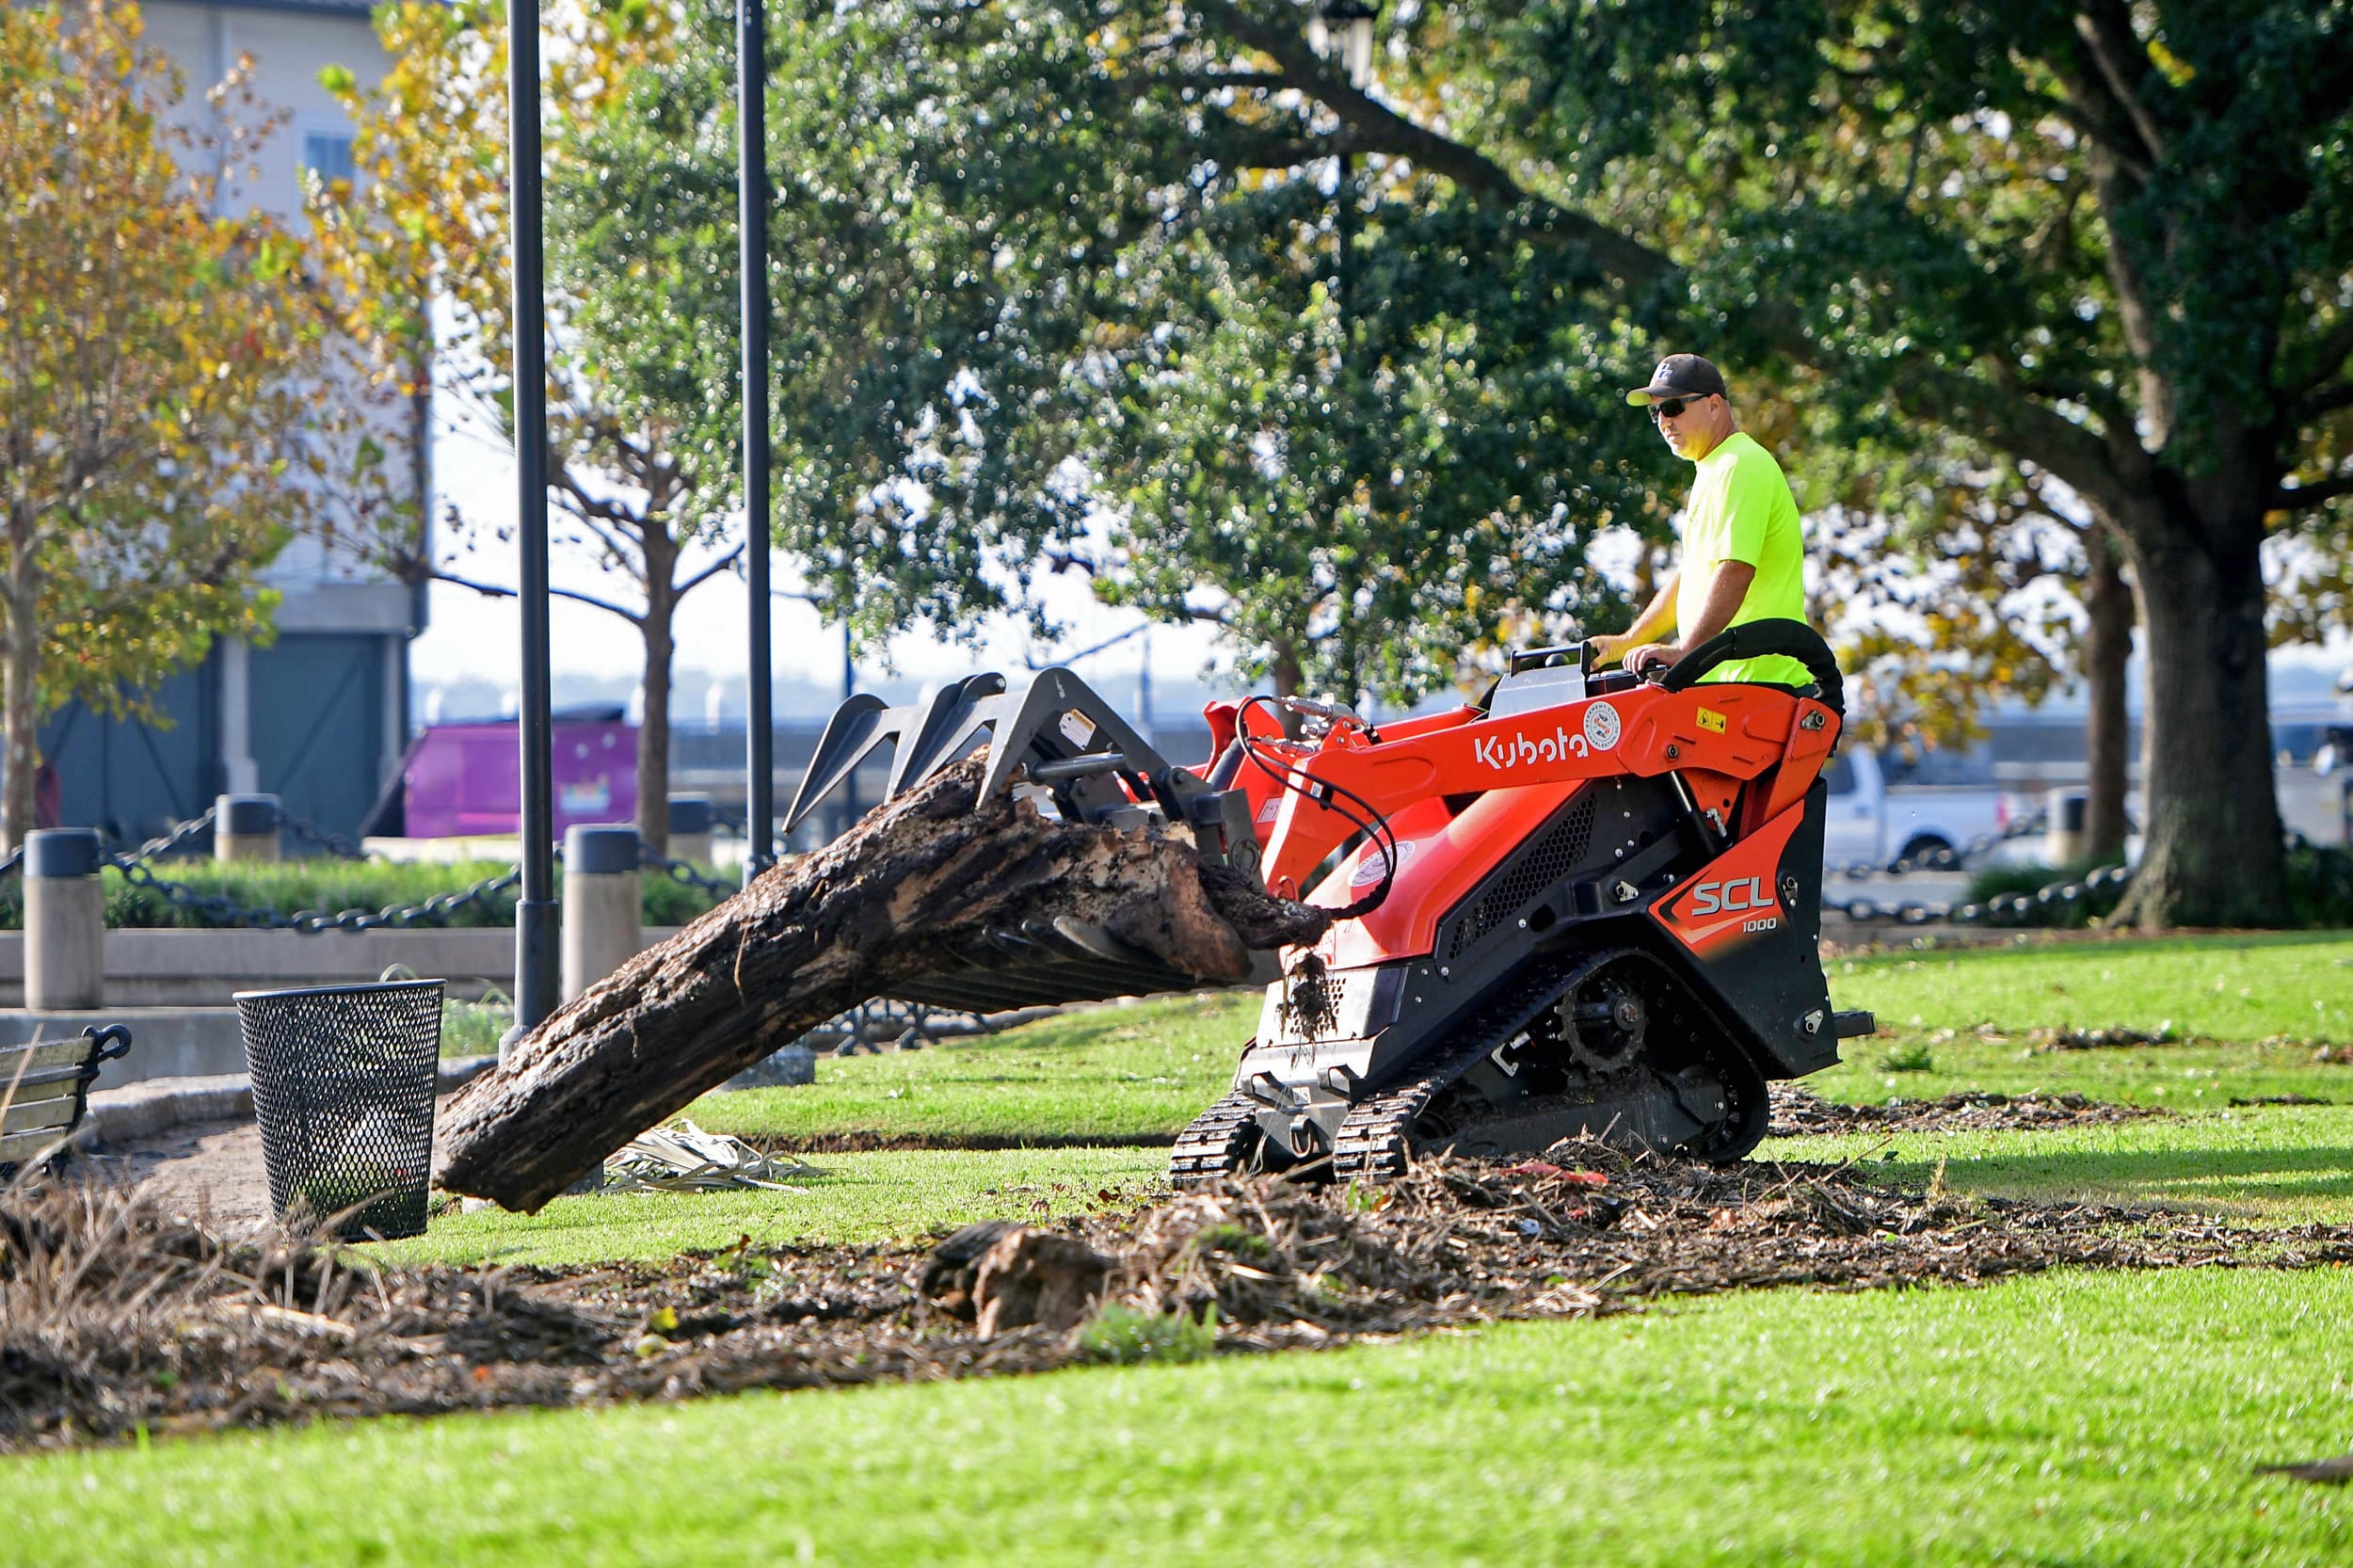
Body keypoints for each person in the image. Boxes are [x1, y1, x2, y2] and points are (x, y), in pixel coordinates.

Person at [1587, 354, 1812, 688]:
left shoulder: (1740, 464)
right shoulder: (1713, 470)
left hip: (1763, 687)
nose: (1664, 422)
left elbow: (1736, 570)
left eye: (1673, 407)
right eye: (1656, 412)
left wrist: (1686, 651)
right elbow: (1691, 577)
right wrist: (1630, 640)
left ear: (1714, 406)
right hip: (1730, 688)